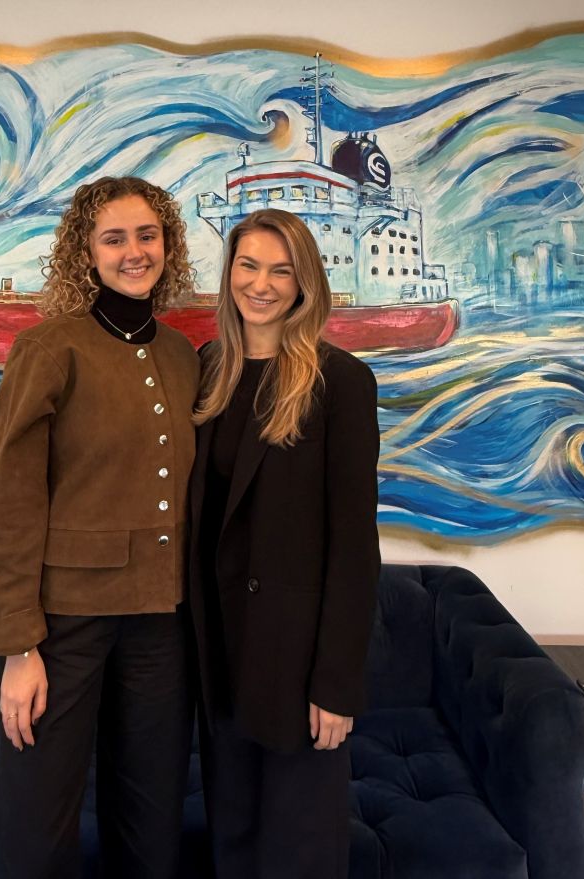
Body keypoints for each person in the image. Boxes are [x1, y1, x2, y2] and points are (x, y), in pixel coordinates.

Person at [0, 176, 200, 879]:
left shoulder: (179, 355)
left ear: (167, 243)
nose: (134, 252)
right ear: (86, 253)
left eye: (147, 234)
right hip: (64, 624)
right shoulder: (48, 349)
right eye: (114, 238)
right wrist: (19, 645)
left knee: (153, 813)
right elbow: (10, 502)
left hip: (161, 621)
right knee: (37, 818)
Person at [188, 208, 381, 879]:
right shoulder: (208, 369)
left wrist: (337, 682)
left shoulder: (341, 382)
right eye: (248, 265)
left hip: (298, 665)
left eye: (281, 270)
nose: (261, 283)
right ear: (229, 272)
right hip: (220, 655)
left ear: (305, 283)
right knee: (233, 842)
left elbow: (356, 547)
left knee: (300, 852)